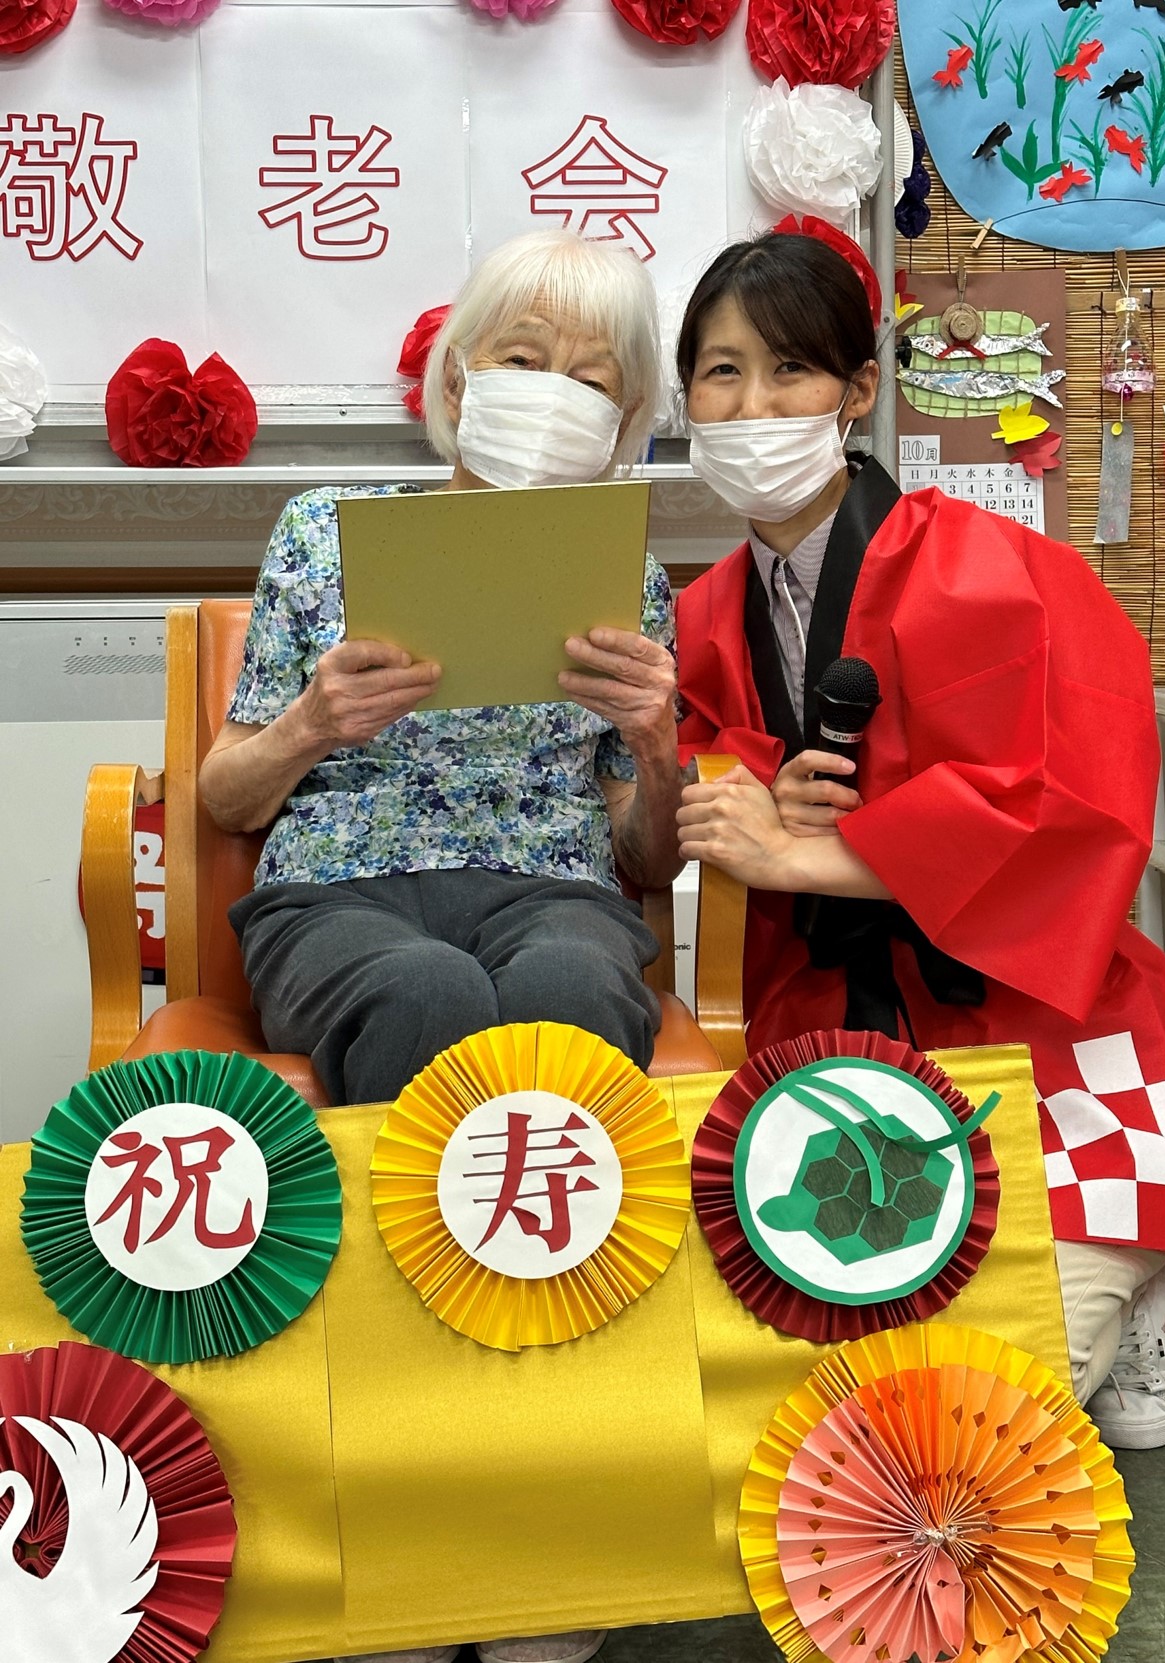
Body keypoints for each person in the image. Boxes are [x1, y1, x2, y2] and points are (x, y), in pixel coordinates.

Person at [200, 229, 682, 1663]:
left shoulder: (629, 578)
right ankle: (411, 1498)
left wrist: (659, 744)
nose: (549, 393)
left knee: (569, 983)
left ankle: (544, 1507)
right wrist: (310, 724)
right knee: (427, 991)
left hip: (550, 886)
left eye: (589, 377)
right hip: (338, 892)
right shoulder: (326, 531)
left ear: (626, 416)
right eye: (523, 359)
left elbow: (643, 858)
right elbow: (224, 797)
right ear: (458, 377)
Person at [672, 226, 1165, 1453]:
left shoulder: (987, 566)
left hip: (1039, 1016)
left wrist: (806, 852)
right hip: (832, 1018)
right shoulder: (703, 615)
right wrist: (711, 783)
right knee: (822, 1371)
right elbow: (706, 786)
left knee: (994, 1406)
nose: (751, 406)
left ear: (859, 389)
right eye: (719, 373)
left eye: (789, 370)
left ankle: (1137, 1266)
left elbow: (1072, 792)